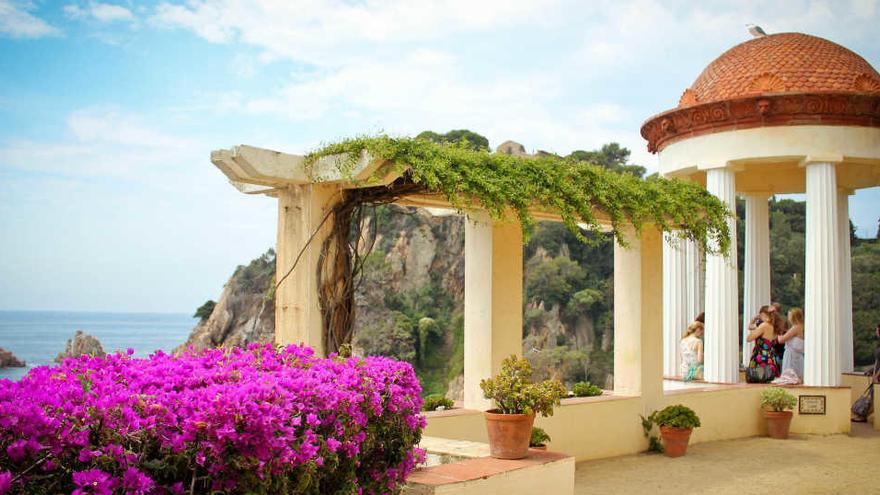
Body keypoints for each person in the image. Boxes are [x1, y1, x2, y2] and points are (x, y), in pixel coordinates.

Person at [746, 305, 781, 383]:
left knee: (758, 380)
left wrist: (754, 329)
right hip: (771, 357)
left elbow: (749, 338)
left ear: (762, 314)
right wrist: (754, 320)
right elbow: (750, 326)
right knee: (768, 380)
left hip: (762, 357)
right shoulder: (773, 325)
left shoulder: (764, 325)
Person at [772, 308, 804, 384]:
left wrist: (779, 332)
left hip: (792, 357)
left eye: (790, 315)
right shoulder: (801, 326)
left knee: (790, 378)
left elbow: (781, 340)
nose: (788, 317)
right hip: (797, 357)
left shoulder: (795, 327)